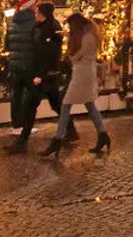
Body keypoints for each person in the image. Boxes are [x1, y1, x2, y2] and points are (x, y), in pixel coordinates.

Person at [41, 12, 110, 157]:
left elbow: (77, 56)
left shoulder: (87, 38)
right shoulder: (89, 35)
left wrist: (69, 52)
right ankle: (103, 134)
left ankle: (57, 140)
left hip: (82, 75)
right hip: (84, 73)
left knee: (66, 105)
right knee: (89, 105)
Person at [7, 3, 66, 153]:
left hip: (46, 74)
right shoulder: (38, 27)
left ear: (44, 14)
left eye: (38, 12)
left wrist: (44, 73)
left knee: (32, 104)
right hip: (41, 73)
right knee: (53, 104)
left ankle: (22, 141)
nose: (36, 14)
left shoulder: (52, 27)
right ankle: (70, 129)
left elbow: (52, 52)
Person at [3, 0, 38, 133]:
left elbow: (7, 44)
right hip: (29, 63)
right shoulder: (34, 22)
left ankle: (16, 125)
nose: (37, 7)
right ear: (31, 6)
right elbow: (37, 43)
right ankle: (26, 126)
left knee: (17, 94)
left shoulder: (13, 21)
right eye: (36, 4)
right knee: (30, 95)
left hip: (15, 64)